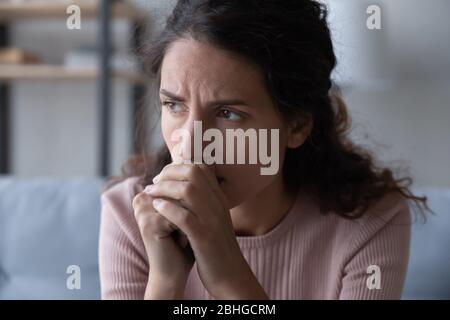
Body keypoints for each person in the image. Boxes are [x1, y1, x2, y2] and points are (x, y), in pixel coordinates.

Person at [98, 0, 428, 300]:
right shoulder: (130, 215)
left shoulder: (370, 223)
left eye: (228, 114)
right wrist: (166, 282)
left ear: (296, 125)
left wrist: (228, 275)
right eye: (173, 105)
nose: (191, 144)